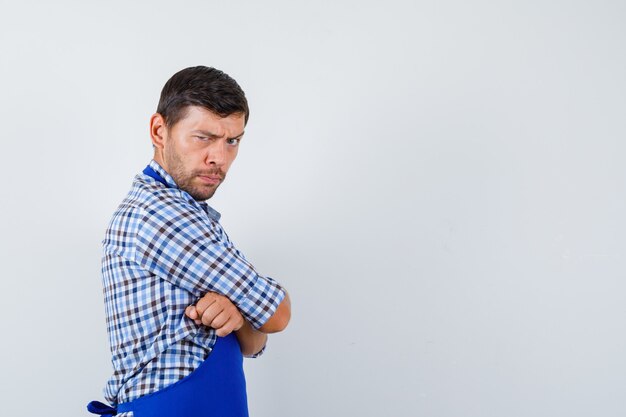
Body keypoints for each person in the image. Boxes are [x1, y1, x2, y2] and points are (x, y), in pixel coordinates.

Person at [87, 66, 291, 417]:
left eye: (233, 140)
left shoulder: (190, 213)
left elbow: (253, 340)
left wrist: (239, 315)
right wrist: (253, 310)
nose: (219, 157)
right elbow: (276, 314)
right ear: (159, 131)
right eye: (204, 137)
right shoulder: (160, 214)